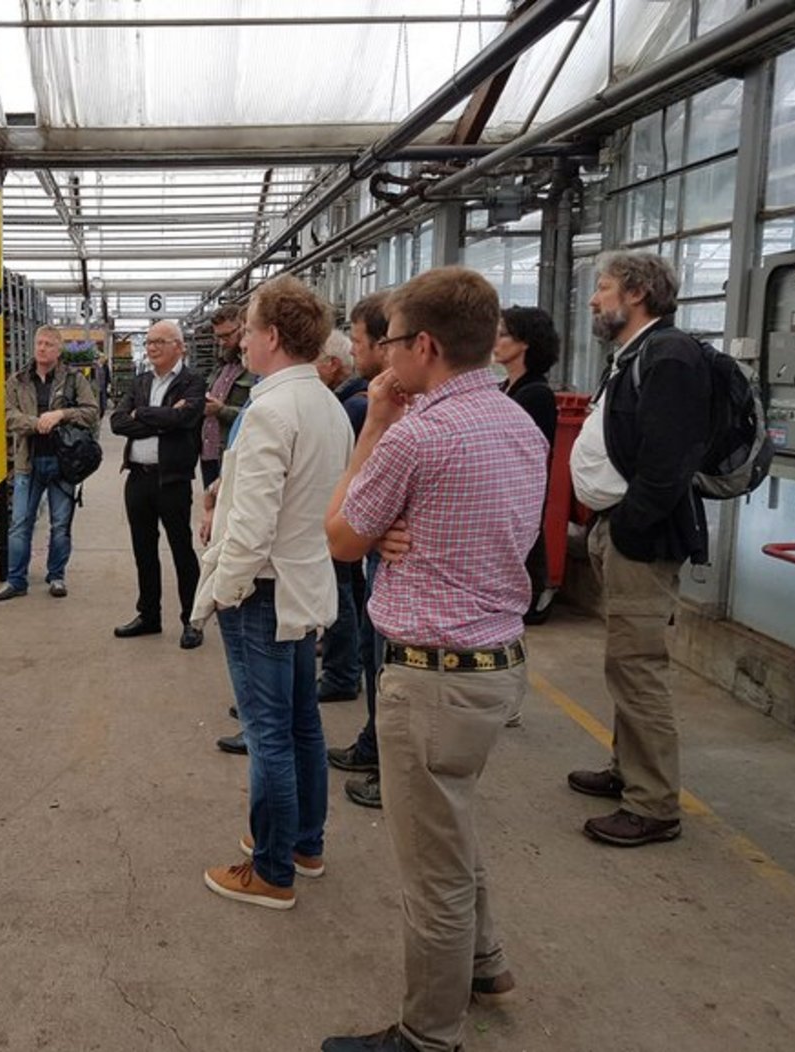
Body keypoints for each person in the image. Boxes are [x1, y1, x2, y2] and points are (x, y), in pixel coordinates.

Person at [322, 266, 547, 1052]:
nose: (381, 358)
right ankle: (485, 963)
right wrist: (397, 526)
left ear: (423, 346)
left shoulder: (416, 436)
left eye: (388, 342)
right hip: (496, 665)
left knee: (432, 872)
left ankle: (428, 1033)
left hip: (433, 680)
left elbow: (340, 536)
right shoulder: (517, 422)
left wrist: (374, 428)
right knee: (452, 827)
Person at [194, 275, 354, 910]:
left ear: (274, 337)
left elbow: (253, 524)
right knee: (301, 724)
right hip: (303, 583)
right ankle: (303, 843)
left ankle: (270, 869)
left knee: (268, 735)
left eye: (251, 330)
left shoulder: (270, 410)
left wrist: (223, 591)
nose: (242, 341)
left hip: (261, 591)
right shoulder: (326, 405)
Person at [567, 251, 711, 848]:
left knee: (639, 665)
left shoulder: (670, 356)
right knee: (625, 661)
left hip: (641, 538)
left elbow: (669, 460)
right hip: (619, 528)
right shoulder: (636, 353)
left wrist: (629, 526)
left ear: (636, 293)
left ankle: (652, 804)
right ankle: (628, 768)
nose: (594, 299)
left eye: (603, 287)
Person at [326, 291, 393, 808]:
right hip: (381, 560)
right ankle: (375, 744)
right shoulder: (374, 401)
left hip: (392, 568)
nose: (353, 348)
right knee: (376, 652)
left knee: (387, 660)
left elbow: (345, 534)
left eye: (358, 338)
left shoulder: (373, 409)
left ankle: (388, 762)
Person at [111, 320, 207, 649]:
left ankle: (192, 620)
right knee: (144, 550)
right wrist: (161, 418)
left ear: (179, 346)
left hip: (172, 480)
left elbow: (185, 419)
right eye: (149, 341)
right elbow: (117, 422)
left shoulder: (193, 382)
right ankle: (149, 615)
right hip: (138, 478)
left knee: (182, 550)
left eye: (159, 342)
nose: (151, 347)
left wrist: (142, 414)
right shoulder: (140, 381)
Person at [0, 325, 99, 602]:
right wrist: (36, 422)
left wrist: (61, 414)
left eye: (49, 344)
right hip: (28, 463)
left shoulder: (74, 379)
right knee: (20, 524)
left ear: (59, 349)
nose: (42, 348)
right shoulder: (18, 380)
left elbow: (91, 412)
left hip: (63, 462)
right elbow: (8, 415)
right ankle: (16, 580)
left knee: (60, 524)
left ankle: (56, 576)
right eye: (39, 343)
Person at [495, 306, 560, 626]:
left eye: (504, 335)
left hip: (517, 499)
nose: (496, 341)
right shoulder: (504, 388)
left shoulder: (535, 394)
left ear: (525, 343)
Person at [312, 329, 364, 704]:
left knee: (339, 591)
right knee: (346, 589)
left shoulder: (352, 406)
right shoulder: (348, 400)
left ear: (331, 365)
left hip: (343, 515)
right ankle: (345, 660)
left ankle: (342, 673)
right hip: (346, 515)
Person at [199, 304, 257, 487]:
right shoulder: (223, 366)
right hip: (210, 454)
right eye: (218, 337)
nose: (222, 342)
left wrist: (221, 410)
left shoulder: (255, 369)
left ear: (243, 328)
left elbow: (257, 416)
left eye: (226, 336)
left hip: (233, 454)